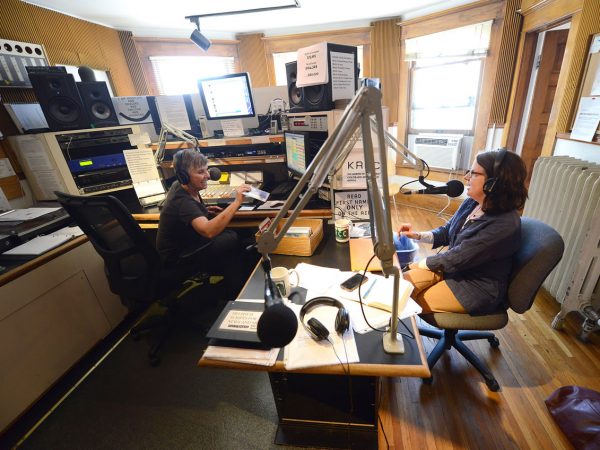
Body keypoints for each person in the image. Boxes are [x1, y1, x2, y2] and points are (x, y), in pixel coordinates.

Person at [399, 148, 528, 315]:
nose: (466, 177)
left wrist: (413, 264)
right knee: (400, 286)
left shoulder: (504, 224)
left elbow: (458, 257)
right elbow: (447, 231)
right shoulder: (472, 203)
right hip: (453, 270)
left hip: (475, 288)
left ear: (494, 183)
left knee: (407, 299)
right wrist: (416, 235)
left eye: (473, 173)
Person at [157, 148, 254, 300]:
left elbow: (188, 214)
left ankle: (239, 283)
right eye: (201, 172)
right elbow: (209, 231)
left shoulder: (182, 186)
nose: (208, 175)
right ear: (184, 176)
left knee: (242, 234)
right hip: (179, 258)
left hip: (188, 243)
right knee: (232, 238)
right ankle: (237, 293)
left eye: (206, 170)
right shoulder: (182, 200)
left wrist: (202, 210)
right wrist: (237, 202)